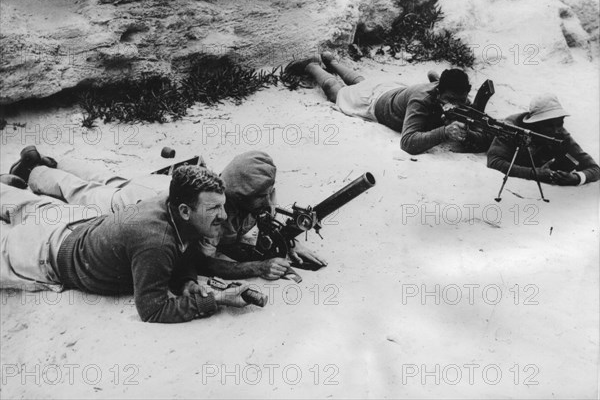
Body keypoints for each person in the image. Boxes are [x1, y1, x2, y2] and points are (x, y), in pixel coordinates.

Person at [8, 148, 326, 280]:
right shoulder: (213, 218)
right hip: (139, 202)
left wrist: (290, 243)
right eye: (261, 198)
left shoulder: (246, 184)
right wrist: (258, 266)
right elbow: (204, 263)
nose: (268, 199)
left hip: (169, 188)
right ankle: (32, 170)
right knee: (89, 194)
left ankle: (52, 160)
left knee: (108, 180)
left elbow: (267, 212)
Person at [1, 162, 251, 323]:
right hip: (45, 253)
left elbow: (182, 246)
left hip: (76, 223)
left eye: (222, 205)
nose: (224, 216)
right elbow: (153, 310)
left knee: (24, 204)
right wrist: (214, 300)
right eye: (214, 208)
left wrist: (185, 282)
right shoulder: (156, 242)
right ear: (185, 211)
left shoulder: (171, 201)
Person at [285, 52, 491, 154]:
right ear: (439, 92)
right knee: (339, 93)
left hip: (392, 89)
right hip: (374, 104)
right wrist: (444, 133)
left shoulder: (450, 91)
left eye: (462, 100)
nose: (458, 104)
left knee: (361, 82)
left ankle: (332, 62)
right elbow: (408, 142)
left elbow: (433, 76)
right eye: (452, 100)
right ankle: (312, 66)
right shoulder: (422, 101)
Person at [487, 94, 599, 186]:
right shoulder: (511, 127)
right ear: (535, 123)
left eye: (560, 124)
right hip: (488, 135)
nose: (556, 130)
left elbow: (594, 169)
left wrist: (576, 178)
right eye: (549, 125)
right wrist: (533, 173)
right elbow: (494, 161)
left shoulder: (560, 134)